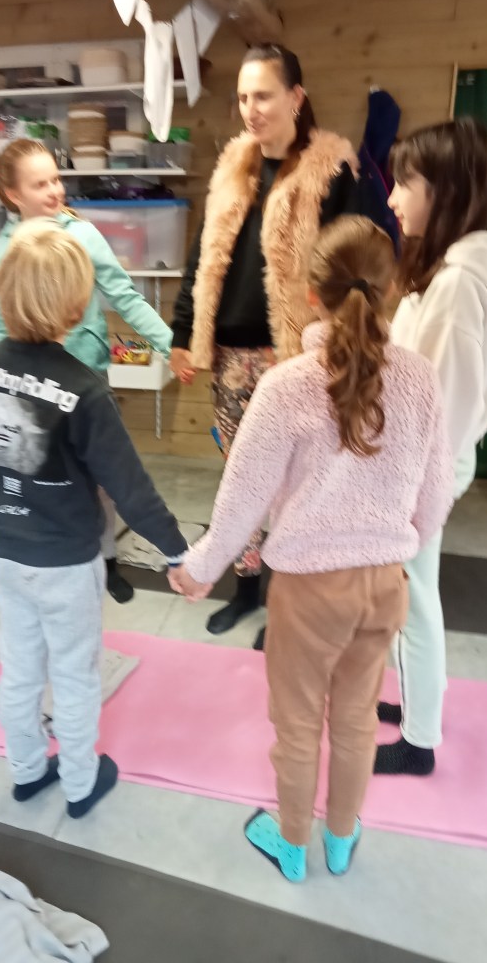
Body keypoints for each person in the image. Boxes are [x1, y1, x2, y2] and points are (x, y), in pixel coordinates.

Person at [170, 216, 453, 880]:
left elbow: (242, 499)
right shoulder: (420, 378)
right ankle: (342, 839)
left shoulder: (287, 385)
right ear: (391, 291)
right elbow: (436, 495)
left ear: (310, 294)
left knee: (298, 724)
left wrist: (201, 568)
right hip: (384, 584)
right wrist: (400, 543)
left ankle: (292, 843)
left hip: (308, 590)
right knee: (356, 720)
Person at [0, 221, 187, 815]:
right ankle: (78, 781)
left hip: (6, 556)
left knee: (20, 665)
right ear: (76, 307)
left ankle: (25, 771)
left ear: (4, 293)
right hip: (67, 564)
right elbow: (130, 488)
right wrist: (178, 552)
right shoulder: (83, 390)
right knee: (74, 673)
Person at [170, 44, 372, 643]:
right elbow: (202, 258)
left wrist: (340, 348)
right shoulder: (234, 166)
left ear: (296, 97)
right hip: (231, 359)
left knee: (296, 488)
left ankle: (287, 600)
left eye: (262, 95)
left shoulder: (331, 171)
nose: (250, 109)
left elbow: (352, 268)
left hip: (298, 358)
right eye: (242, 97)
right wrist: (182, 333)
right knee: (241, 481)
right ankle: (246, 590)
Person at [374, 117, 487, 775]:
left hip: (425, 464)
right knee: (412, 591)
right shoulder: (445, 272)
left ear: (443, 191)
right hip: (419, 460)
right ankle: (421, 703)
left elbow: (451, 405)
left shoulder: (457, 288)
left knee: (411, 597)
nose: (392, 197)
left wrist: (411, 485)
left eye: (405, 183)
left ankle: (420, 740)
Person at [0, 138, 173, 604]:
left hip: (86, 380)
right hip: (30, 390)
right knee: (49, 476)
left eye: (56, 179)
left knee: (101, 476)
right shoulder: (3, 250)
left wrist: (172, 345)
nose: (54, 191)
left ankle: (107, 560)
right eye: (40, 184)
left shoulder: (83, 235)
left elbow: (126, 297)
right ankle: (57, 556)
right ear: (13, 194)